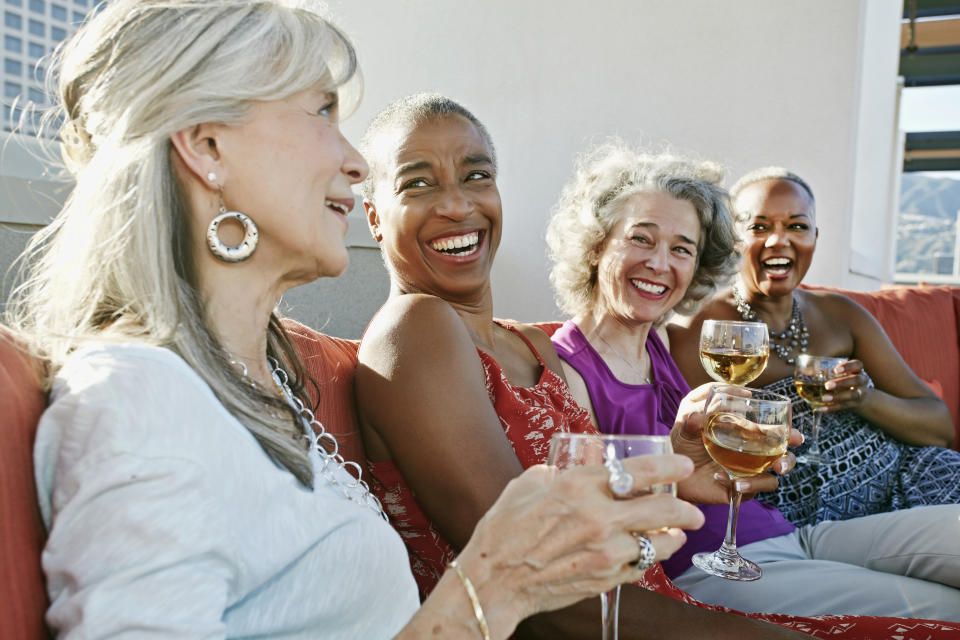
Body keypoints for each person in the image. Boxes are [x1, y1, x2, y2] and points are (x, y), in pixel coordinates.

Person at [8, 2, 708, 638]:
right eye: (320, 113)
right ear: (206, 146)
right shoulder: (138, 397)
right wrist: (494, 586)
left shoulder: (258, 385)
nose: (351, 161)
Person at [354, 92, 953, 638]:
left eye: (477, 176)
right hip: (652, 594)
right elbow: (533, 574)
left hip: (714, 559)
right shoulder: (420, 328)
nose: (458, 203)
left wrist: (674, 469)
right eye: (418, 184)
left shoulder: (523, 346)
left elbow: (585, 496)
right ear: (373, 215)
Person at [545, 145, 960, 619]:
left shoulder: (654, 344)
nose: (662, 263)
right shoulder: (570, 366)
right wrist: (677, 467)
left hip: (790, 534)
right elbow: (581, 514)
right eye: (642, 239)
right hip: (711, 565)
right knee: (943, 609)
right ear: (597, 245)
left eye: (682, 248)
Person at [669, 167, 960, 527]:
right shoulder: (703, 333)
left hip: (913, 478)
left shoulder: (841, 314)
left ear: (815, 237)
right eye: (759, 227)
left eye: (797, 226)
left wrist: (864, 399)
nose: (779, 240)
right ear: (733, 239)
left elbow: (939, 427)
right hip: (813, 522)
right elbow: (689, 442)